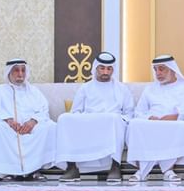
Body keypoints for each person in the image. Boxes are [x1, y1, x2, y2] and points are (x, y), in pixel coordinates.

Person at [55, 51, 133, 183]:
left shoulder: (122, 89)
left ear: (113, 70)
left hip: (111, 123)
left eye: (109, 69)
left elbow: (129, 114)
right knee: (64, 118)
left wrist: (118, 118)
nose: (105, 72)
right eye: (102, 68)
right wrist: (82, 120)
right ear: (96, 68)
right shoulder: (85, 88)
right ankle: (71, 167)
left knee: (115, 119)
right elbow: (76, 111)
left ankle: (115, 166)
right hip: (89, 122)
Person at [125, 54, 184, 183]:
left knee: (183, 127)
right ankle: (141, 170)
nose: (158, 73)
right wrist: (149, 117)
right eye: (155, 69)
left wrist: (176, 117)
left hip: (175, 122)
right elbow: (138, 112)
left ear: (172, 69)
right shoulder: (150, 89)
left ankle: (168, 170)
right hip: (152, 123)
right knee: (134, 124)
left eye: (162, 69)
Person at [0, 58, 58, 181]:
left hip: (30, 127)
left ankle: (35, 170)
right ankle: (8, 171)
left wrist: (33, 121)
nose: (20, 74)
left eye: (23, 70)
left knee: (50, 126)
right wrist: (8, 120)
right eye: (16, 70)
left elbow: (43, 109)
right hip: (9, 127)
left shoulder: (33, 91)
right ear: (9, 72)